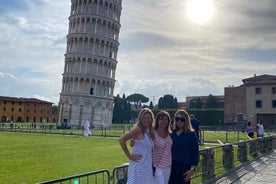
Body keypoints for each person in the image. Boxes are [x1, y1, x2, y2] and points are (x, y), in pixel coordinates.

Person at [119, 108, 155, 184]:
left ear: (151, 119)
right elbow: (122, 139)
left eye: (149, 118)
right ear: (140, 119)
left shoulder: (149, 131)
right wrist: (129, 156)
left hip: (146, 167)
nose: (147, 120)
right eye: (144, 118)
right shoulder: (138, 129)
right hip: (138, 167)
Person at [169, 109, 199, 184]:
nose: (179, 121)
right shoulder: (172, 133)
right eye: (177, 119)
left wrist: (192, 170)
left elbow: (195, 152)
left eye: (182, 119)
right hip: (171, 167)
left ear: (186, 120)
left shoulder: (191, 134)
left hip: (184, 169)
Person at [152, 110, 173, 184]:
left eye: (166, 119)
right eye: (161, 119)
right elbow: (144, 143)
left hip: (168, 166)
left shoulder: (170, 134)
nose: (163, 121)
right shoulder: (152, 134)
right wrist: (134, 142)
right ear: (157, 120)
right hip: (157, 167)